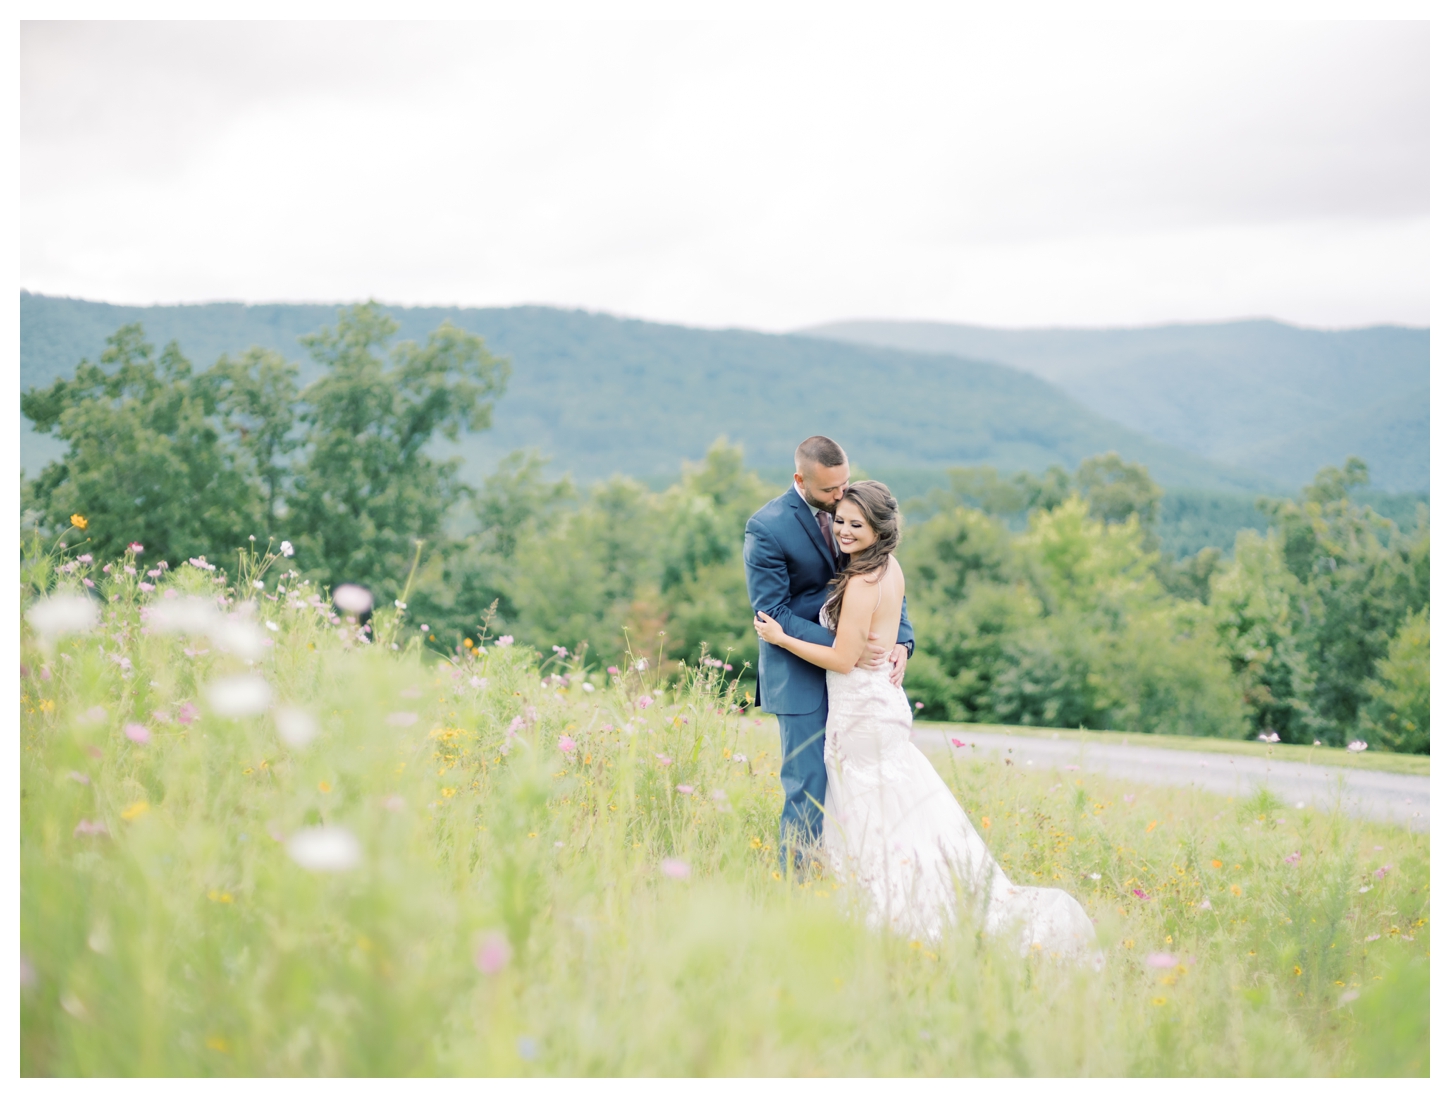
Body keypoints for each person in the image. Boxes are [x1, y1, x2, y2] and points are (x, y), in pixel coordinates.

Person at [753, 479, 1100, 958]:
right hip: (880, 706)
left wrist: (782, 638)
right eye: (842, 521)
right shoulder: (889, 569)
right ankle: (916, 894)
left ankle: (891, 912)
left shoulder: (858, 582)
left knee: (868, 813)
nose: (844, 530)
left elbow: (844, 658)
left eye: (857, 525)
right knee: (899, 810)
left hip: (860, 713)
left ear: (879, 530)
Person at [743, 436, 913, 873]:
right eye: (829, 492)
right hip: (799, 673)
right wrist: (845, 646)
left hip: (855, 676)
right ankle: (795, 891)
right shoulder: (767, 528)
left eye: (845, 484)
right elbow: (772, 612)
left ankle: (858, 878)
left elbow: (880, 566)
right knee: (809, 785)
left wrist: (900, 639)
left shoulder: (854, 513)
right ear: (800, 479)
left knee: (861, 785)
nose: (840, 498)